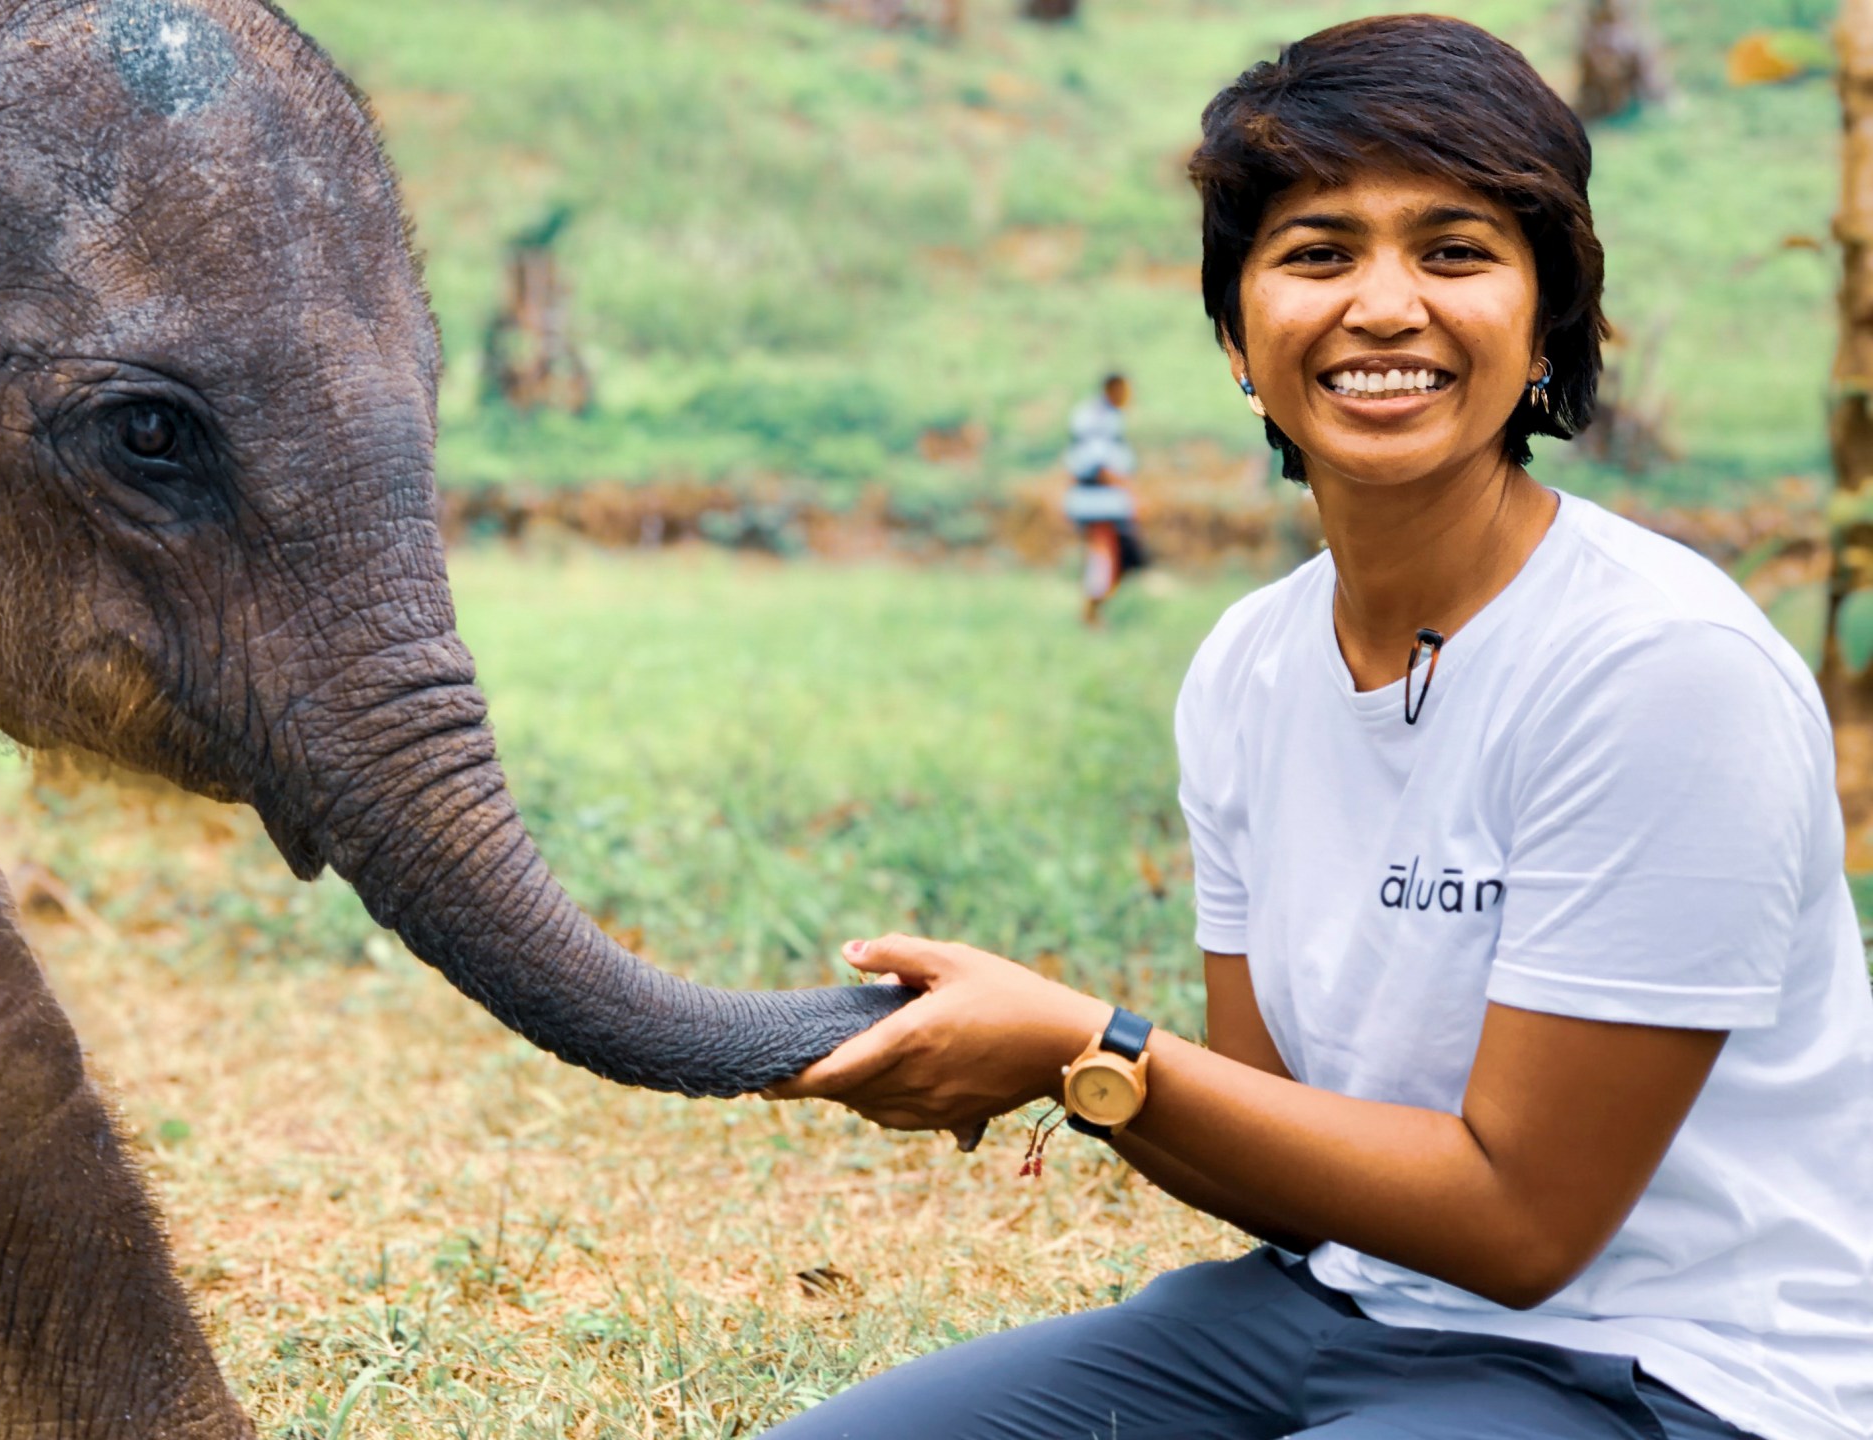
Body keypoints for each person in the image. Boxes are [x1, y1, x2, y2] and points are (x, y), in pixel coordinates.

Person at [766, 16, 1873, 1440]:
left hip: (1669, 1371)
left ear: (1550, 322)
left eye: (1457, 250)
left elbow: (1526, 1228)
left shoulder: (1660, 667)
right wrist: (1091, 1064)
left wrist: (1075, 1046)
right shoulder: (1248, 666)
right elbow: (1275, 1145)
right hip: (1333, 1310)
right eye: (1317, 252)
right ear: (1238, 333)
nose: (1386, 305)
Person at [1060, 371, 1148, 624]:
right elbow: (1101, 464)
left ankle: (1095, 609)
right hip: (1099, 502)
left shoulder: (1101, 415)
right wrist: (1131, 493)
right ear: (1114, 389)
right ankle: (1091, 611)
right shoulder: (1098, 418)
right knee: (1104, 556)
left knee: (1112, 557)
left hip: (1102, 500)